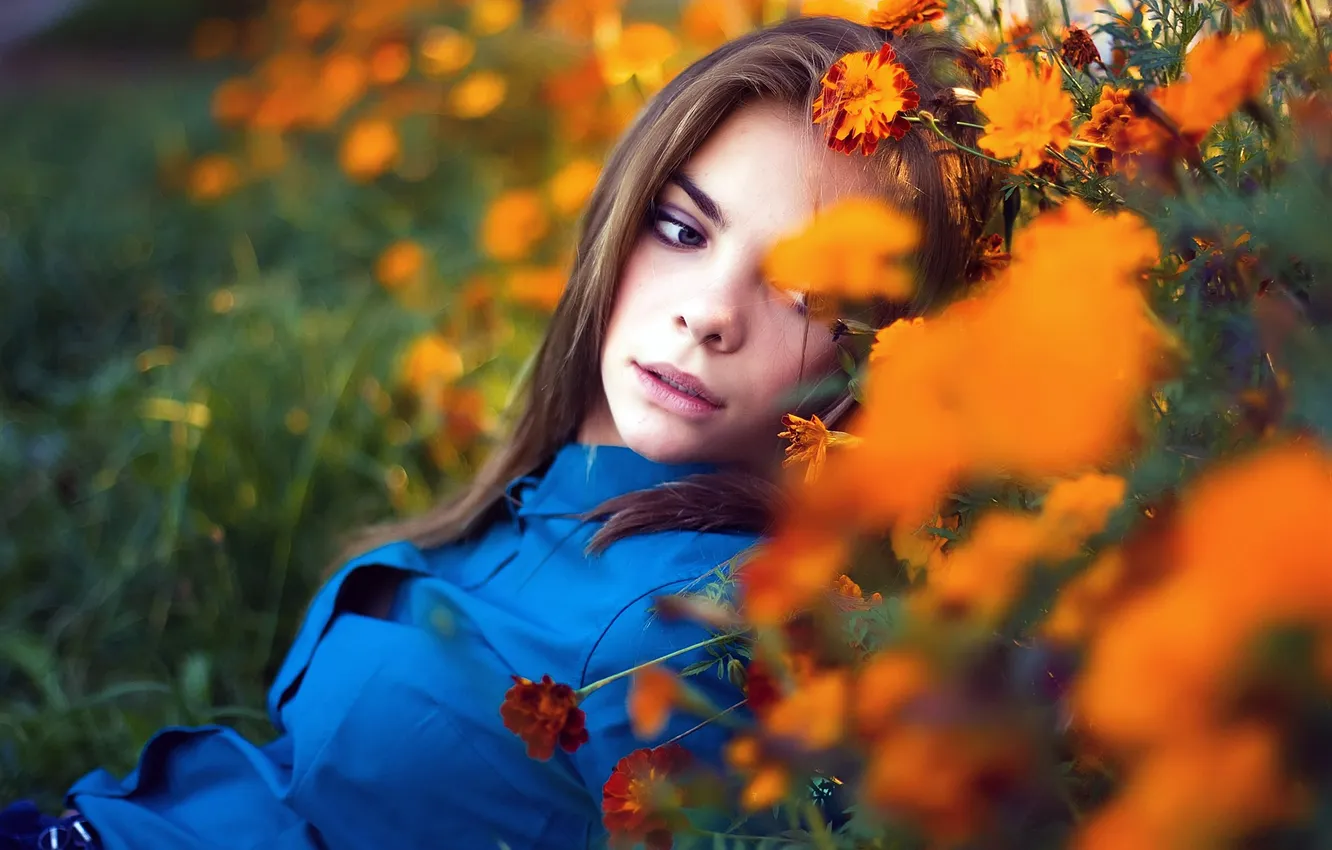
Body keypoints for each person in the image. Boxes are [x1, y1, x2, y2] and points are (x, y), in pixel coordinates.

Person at [2, 14, 996, 850]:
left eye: (805, 293)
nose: (707, 314)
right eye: (682, 229)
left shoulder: (716, 634)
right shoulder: (559, 491)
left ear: (881, 351)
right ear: (622, 218)